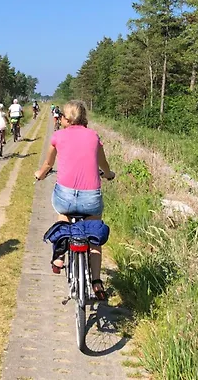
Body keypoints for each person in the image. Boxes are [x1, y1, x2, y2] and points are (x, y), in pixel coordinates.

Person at [34, 100, 115, 300]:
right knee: (93, 234)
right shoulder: (93, 136)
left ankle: (59, 256)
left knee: (63, 215)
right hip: (91, 198)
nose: (60, 118)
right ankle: (96, 281)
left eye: (62, 115)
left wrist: (40, 175)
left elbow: (48, 164)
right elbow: (103, 164)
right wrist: (109, 174)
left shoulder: (58, 136)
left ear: (67, 119)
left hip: (65, 197)